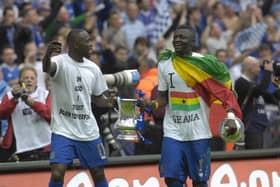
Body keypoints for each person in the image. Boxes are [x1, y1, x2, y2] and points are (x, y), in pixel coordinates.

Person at [140, 25, 242, 187]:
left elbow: (225, 92)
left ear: (193, 41)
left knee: (200, 181)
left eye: (182, 37)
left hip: (198, 132)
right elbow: (163, 97)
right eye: (176, 37)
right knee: (172, 179)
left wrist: (230, 116)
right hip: (173, 131)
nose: (178, 40)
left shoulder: (204, 64)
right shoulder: (165, 63)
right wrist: (151, 104)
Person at [43, 29, 111, 187]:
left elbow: (98, 98)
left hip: (88, 130)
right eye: (87, 41)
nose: (91, 44)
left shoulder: (93, 68)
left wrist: (110, 102)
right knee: (58, 171)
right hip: (63, 129)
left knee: (98, 172)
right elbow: (48, 68)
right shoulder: (60, 61)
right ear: (75, 44)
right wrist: (47, 56)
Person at [0, 66, 51, 162]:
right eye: (25, 78)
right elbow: (2, 114)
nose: (29, 81)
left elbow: (51, 115)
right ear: (20, 81)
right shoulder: (10, 95)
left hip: (44, 146)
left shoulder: (45, 94)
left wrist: (33, 103)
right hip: (19, 147)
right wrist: (14, 100)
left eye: (32, 78)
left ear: (36, 81)